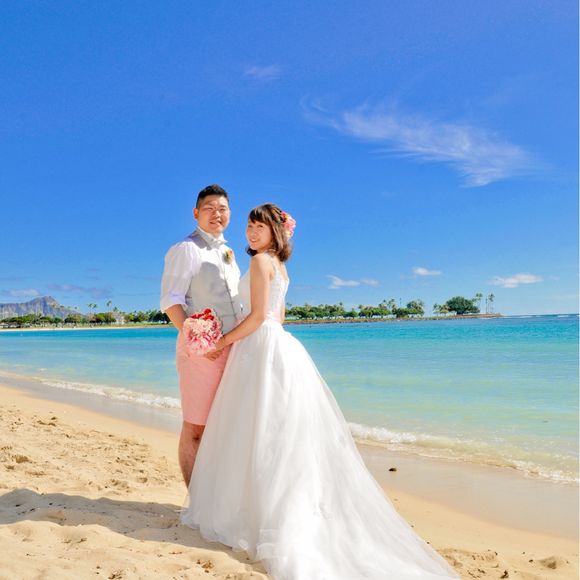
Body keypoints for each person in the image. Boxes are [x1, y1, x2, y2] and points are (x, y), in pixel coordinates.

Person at [181, 204, 458, 579]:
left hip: (258, 347)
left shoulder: (261, 262)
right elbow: (278, 317)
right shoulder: (281, 267)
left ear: (275, 232)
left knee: (254, 431)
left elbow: (260, 317)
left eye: (259, 226)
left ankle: (253, 512)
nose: (251, 231)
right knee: (277, 434)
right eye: (249, 225)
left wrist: (223, 341)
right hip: (279, 345)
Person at [160, 184, 241, 487]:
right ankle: (196, 499)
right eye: (209, 208)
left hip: (231, 348)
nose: (216, 214)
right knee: (196, 427)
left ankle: (214, 495)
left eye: (222, 209)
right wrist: (198, 343)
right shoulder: (186, 249)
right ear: (196, 213)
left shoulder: (228, 252)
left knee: (222, 426)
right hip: (200, 353)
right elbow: (171, 301)